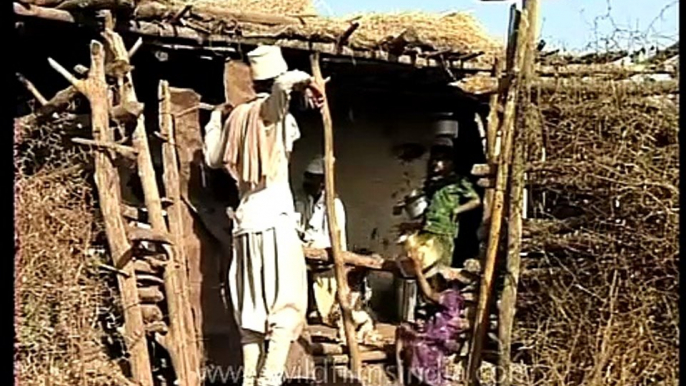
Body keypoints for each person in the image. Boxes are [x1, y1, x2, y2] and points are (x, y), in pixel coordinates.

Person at [203, 45, 325, 386]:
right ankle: (268, 380)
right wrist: (309, 82)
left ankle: (250, 381)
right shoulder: (268, 113)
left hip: (246, 223)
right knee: (285, 306)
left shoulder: (235, 119)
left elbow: (213, 158)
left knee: (252, 311)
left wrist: (215, 119)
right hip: (275, 219)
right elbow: (285, 85)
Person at [293, 156, 375, 341]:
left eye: (311, 178)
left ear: (322, 181)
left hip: (326, 255)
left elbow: (338, 236)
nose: (307, 182)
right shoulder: (301, 200)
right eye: (307, 177)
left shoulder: (333, 204)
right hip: (305, 251)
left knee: (330, 311)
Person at [403, 137, 482, 277]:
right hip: (427, 229)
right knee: (421, 264)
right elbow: (424, 204)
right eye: (434, 160)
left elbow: (475, 201)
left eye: (440, 160)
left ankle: (439, 294)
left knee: (440, 269)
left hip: (444, 230)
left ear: (450, 163)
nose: (435, 164)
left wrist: (456, 210)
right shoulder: (433, 183)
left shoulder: (458, 182)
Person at [395, 250, 467, 386]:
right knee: (403, 329)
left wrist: (417, 269)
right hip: (440, 337)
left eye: (433, 281)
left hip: (441, 340)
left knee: (410, 339)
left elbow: (428, 293)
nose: (432, 284)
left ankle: (405, 378)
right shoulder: (453, 297)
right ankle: (401, 377)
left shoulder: (450, 297)